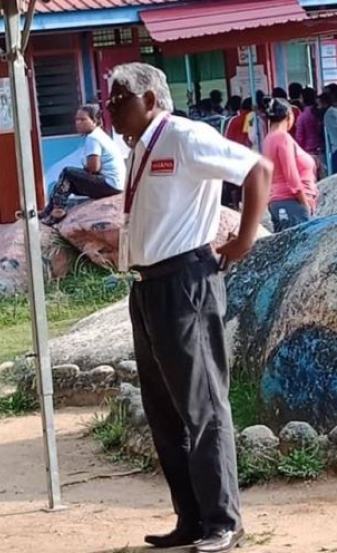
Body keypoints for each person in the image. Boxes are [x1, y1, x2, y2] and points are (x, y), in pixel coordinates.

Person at [106, 62, 271, 552]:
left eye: (119, 99)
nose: (111, 108)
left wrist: (243, 239)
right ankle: (192, 518)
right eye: (109, 100)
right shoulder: (139, 147)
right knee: (164, 411)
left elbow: (257, 170)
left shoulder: (183, 136)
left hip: (184, 283)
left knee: (203, 405)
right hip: (147, 287)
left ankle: (224, 521)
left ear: (150, 100)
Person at [40, 104, 126, 225]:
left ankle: (58, 211)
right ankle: (49, 210)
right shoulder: (99, 135)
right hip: (116, 184)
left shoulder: (93, 138)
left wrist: (85, 167)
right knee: (67, 183)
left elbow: (94, 168)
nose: (78, 123)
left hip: (109, 184)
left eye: (83, 120)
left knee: (67, 172)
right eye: (76, 120)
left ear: (95, 121)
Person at [263, 98, 319, 232]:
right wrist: (304, 201)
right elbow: (290, 173)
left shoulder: (268, 138)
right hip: (291, 201)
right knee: (302, 242)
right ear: (289, 115)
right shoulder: (282, 137)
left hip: (278, 200)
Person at [294, 87, 325, 176]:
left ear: (303, 99)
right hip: (323, 152)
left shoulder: (302, 117)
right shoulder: (320, 113)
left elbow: (299, 138)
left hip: (309, 153)